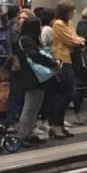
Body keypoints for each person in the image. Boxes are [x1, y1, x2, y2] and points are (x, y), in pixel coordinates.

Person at [13, 16, 62, 147]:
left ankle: (29, 133)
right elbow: (35, 55)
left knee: (35, 106)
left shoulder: (30, 39)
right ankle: (22, 135)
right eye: (38, 25)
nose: (40, 28)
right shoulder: (26, 40)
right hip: (31, 76)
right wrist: (52, 62)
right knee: (29, 107)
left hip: (37, 76)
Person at [49, 0, 85, 139]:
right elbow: (71, 41)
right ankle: (55, 125)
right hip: (62, 61)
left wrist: (79, 41)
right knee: (65, 94)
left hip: (69, 60)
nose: (74, 13)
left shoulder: (68, 24)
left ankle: (59, 124)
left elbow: (77, 38)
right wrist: (79, 41)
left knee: (68, 93)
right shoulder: (58, 24)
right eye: (72, 10)